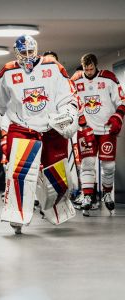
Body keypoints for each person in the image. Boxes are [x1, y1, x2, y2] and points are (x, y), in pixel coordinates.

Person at [0, 35, 79, 234]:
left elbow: (68, 97)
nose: (27, 56)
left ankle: (56, 208)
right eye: (23, 52)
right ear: (16, 52)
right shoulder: (7, 72)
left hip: (51, 128)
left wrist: (69, 114)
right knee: (19, 174)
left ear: (36, 50)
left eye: (30, 52)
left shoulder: (54, 67)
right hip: (22, 127)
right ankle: (16, 214)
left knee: (58, 176)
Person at [71, 53, 125, 216]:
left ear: (96, 66)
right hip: (85, 129)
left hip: (106, 129)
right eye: (86, 69)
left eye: (91, 68)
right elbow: (69, 103)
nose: (88, 72)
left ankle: (107, 192)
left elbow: (122, 101)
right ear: (83, 67)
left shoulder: (109, 78)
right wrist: (77, 117)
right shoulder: (75, 82)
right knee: (87, 164)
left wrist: (117, 118)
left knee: (108, 166)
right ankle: (88, 196)